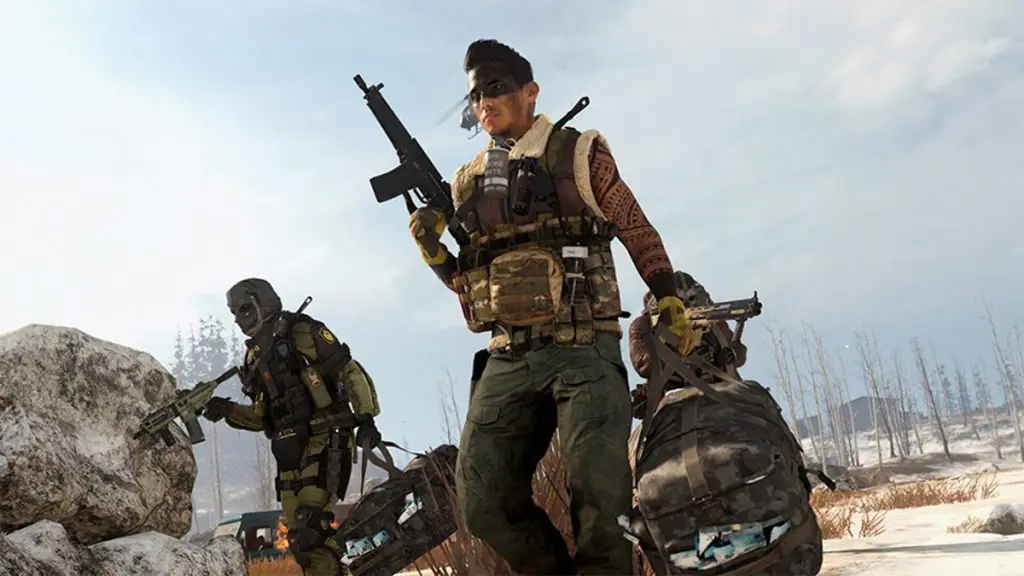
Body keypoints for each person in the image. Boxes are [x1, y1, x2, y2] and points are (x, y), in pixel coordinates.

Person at [407, 39, 703, 575]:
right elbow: (473, 286)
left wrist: (668, 298)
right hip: (508, 355)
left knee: (599, 489)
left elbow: (635, 227)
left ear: (530, 91)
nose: (484, 103)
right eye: (474, 96)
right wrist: (434, 253)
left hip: (583, 345)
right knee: (482, 499)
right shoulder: (467, 181)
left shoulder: (579, 154)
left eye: (495, 88)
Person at [201, 278, 382, 576]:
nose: (239, 319)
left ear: (263, 302)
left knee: (312, 528)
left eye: (244, 309)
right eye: (235, 313)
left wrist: (366, 417)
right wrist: (227, 410)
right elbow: (261, 416)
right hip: (288, 452)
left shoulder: (301, 331)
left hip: (326, 436)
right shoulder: (254, 358)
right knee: (300, 540)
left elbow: (349, 371)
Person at [627, 271, 748, 419]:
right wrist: (671, 341)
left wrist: (731, 355)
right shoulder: (642, 325)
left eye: (691, 299)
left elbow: (739, 353)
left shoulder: (713, 323)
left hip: (717, 388)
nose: (686, 305)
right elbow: (644, 365)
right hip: (670, 393)